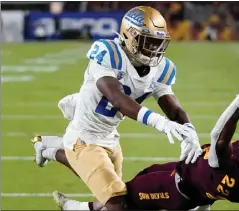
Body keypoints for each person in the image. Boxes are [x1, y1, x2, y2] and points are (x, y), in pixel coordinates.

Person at [43, 55, 239, 210]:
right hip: (188, 177)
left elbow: (218, 136)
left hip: (177, 188)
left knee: (121, 203)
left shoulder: (234, 175)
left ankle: (70, 197)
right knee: (119, 193)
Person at [31, 6, 202, 211]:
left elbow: (173, 109)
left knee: (114, 194)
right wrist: (161, 124)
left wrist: (190, 133)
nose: (154, 50)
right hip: (84, 136)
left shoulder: (162, 68)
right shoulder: (109, 53)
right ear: (129, 36)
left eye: (158, 43)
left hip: (110, 137)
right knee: (116, 203)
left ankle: (51, 158)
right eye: (147, 43)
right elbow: (117, 98)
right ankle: (55, 154)